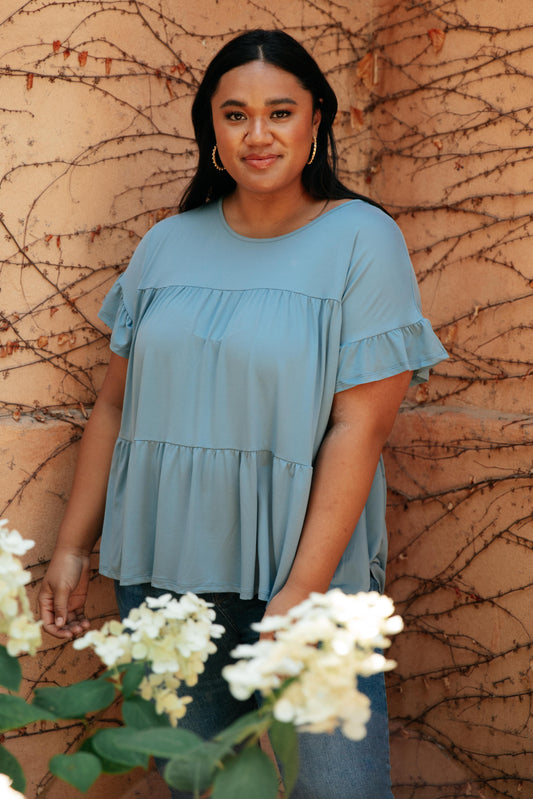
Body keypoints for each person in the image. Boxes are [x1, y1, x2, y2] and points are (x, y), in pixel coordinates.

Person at [39, 29, 447, 799]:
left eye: (279, 112)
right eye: (234, 115)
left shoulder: (362, 239)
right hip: (164, 576)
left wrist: (300, 590)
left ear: (316, 121)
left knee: (336, 790)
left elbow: (361, 426)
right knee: (197, 784)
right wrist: (70, 546)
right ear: (212, 131)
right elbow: (113, 406)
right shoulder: (166, 244)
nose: (257, 134)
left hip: (306, 573)